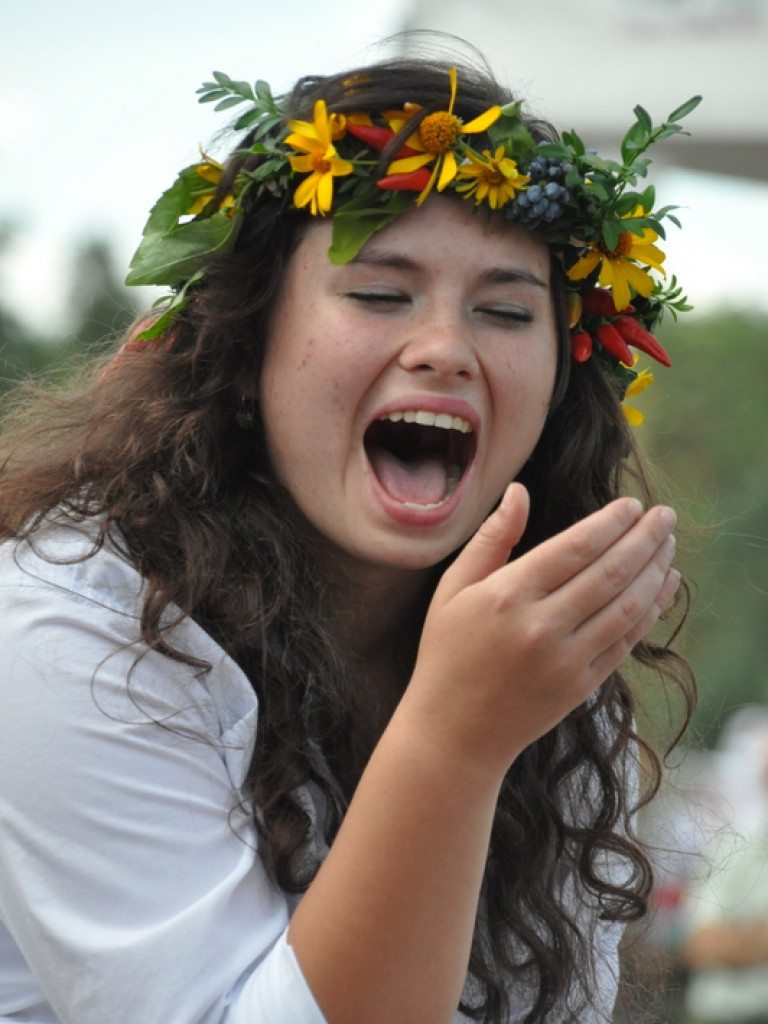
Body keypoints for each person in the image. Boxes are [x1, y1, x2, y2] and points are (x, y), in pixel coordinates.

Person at [0, 43, 698, 1024]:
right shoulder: (68, 626)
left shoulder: (548, 671)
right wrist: (455, 742)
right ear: (247, 347)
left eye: (506, 311)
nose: (446, 350)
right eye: (378, 294)